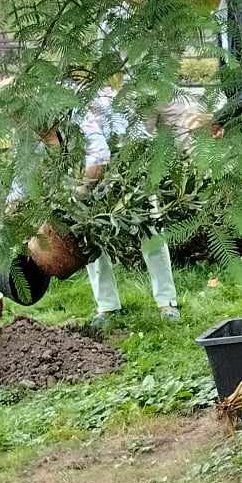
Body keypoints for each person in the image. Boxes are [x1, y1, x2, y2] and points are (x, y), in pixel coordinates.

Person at [79, 81, 180, 323]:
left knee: (151, 229)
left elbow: (161, 120)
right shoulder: (76, 88)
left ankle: (167, 302)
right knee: (91, 234)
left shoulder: (135, 79)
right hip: (93, 167)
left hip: (132, 162)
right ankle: (107, 306)